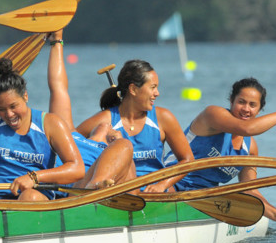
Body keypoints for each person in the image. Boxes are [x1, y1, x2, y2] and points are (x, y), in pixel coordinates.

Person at [0, 0, 85, 201]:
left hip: (35, 198)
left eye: (13, 106)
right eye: (1, 109)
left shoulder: (50, 124)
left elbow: (76, 168)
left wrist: (34, 177)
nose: (9, 115)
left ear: (25, 96)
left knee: (29, 197)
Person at [164, 77, 276, 228]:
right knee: (168, 195)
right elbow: (247, 129)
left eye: (253, 105)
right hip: (169, 182)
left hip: (204, 198)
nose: (246, 109)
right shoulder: (212, 115)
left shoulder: (250, 148)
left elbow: (249, 189)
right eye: (241, 102)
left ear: (259, 110)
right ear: (231, 101)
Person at [76, 59, 194, 192]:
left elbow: (188, 160)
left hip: (154, 192)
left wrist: (163, 184)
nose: (157, 93)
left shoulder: (163, 118)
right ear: (133, 89)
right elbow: (69, 141)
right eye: (153, 87)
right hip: (121, 190)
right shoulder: (105, 120)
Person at [46, 28, 136, 189]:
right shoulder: (69, 135)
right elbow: (58, 88)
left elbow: (133, 185)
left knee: (125, 146)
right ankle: (94, 186)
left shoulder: (114, 149)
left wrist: (119, 142)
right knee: (124, 145)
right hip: (77, 191)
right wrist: (56, 41)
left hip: (105, 185)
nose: (109, 125)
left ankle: (97, 185)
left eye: (112, 129)